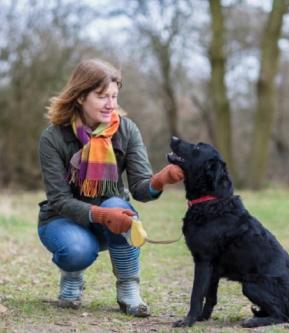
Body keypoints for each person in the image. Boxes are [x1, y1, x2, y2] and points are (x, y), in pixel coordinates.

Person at [37, 58, 184, 317]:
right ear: (81, 97)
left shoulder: (126, 131)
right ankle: (72, 275)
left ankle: (129, 290)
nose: (111, 104)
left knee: (119, 206)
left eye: (114, 96)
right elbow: (59, 200)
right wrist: (103, 215)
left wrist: (161, 179)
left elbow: (139, 188)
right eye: (102, 96)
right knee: (78, 250)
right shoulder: (53, 138)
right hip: (61, 220)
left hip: (112, 220)